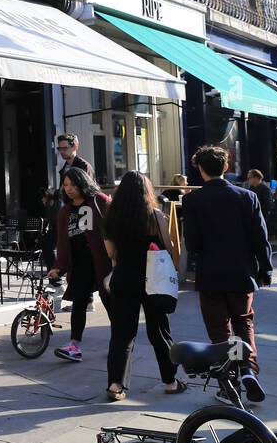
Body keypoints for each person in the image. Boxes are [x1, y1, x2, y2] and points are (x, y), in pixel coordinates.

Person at [183, 145, 271, 404]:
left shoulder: (192, 200)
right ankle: (247, 370)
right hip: (241, 272)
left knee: (219, 330)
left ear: (200, 170)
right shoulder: (246, 196)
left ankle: (229, 381)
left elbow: (193, 243)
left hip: (210, 273)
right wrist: (265, 268)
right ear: (226, 167)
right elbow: (260, 237)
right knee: (243, 322)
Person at [101, 171, 184, 401]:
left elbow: (110, 253)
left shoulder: (111, 217)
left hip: (124, 279)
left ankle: (116, 385)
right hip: (153, 279)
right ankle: (169, 381)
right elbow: (169, 248)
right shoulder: (155, 216)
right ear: (146, 191)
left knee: (122, 334)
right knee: (159, 330)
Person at [47, 166, 111, 363]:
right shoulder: (65, 212)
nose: (69, 188)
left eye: (73, 184)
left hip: (103, 262)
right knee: (79, 303)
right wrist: (59, 266)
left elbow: (115, 230)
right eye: (65, 185)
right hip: (81, 265)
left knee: (111, 303)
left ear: (83, 182)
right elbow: (63, 243)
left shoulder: (100, 202)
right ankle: (74, 346)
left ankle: (122, 342)